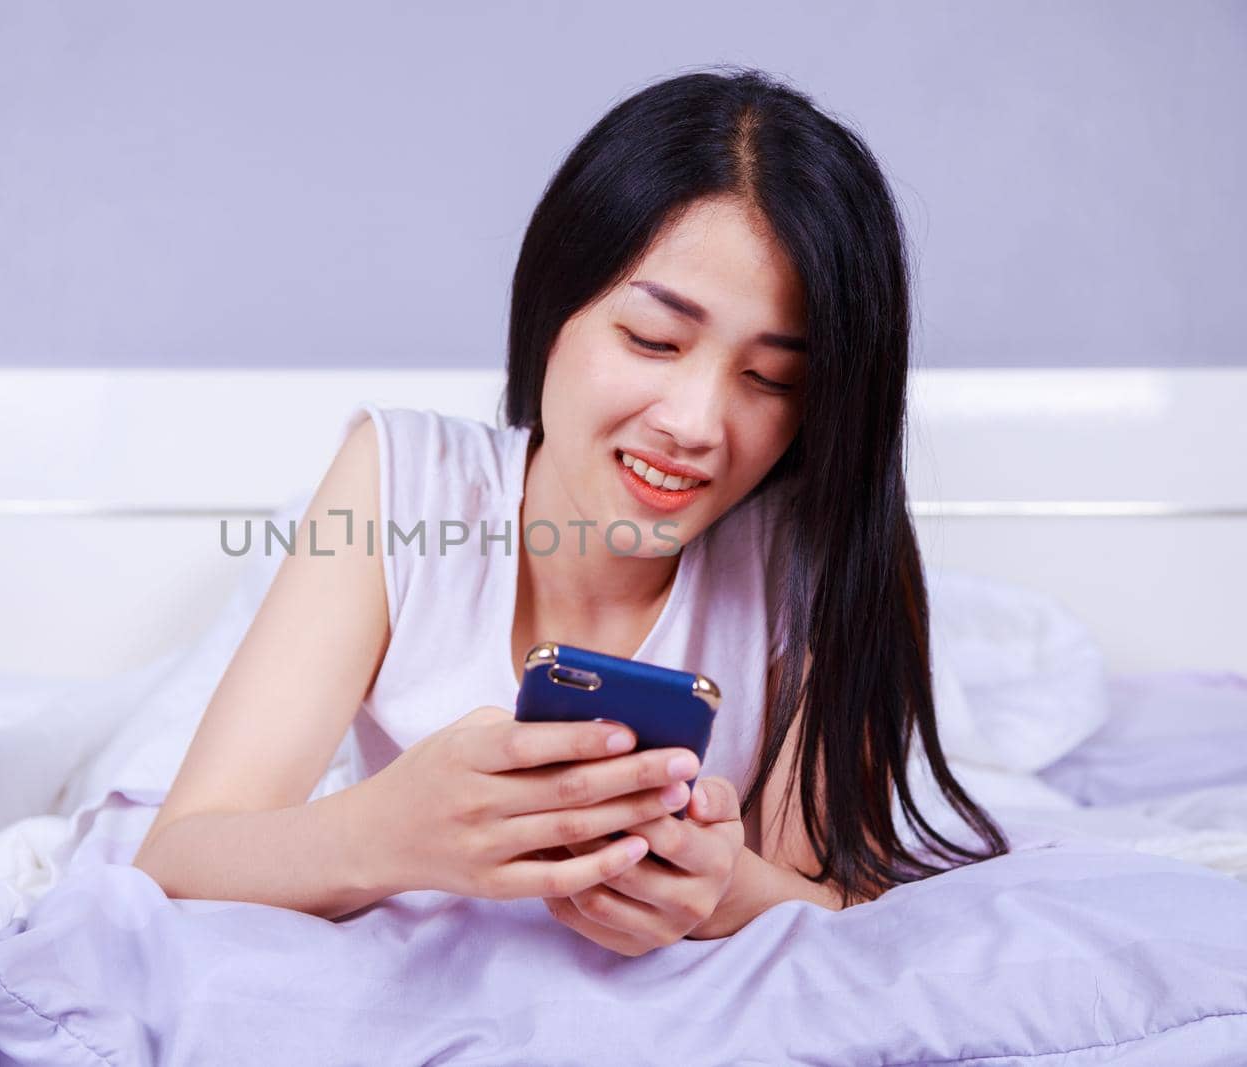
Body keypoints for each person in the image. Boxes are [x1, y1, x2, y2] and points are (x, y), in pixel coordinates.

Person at [133, 66, 1007, 957]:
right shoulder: (400, 482)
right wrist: (384, 833)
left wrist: (728, 893)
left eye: (771, 379)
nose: (695, 426)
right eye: (652, 340)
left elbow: (838, 909)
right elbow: (180, 856)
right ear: (555, 308)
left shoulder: (811, 555)